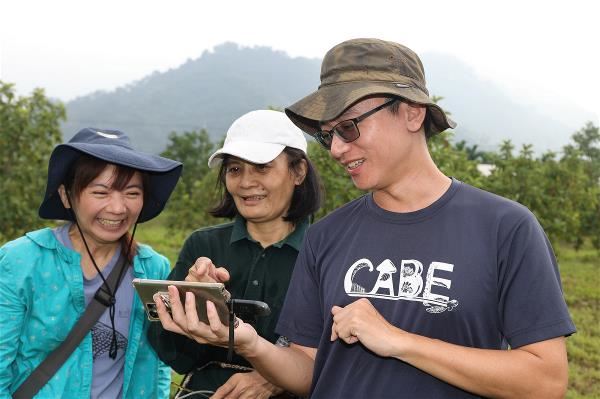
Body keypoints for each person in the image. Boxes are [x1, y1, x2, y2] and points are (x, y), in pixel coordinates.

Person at [154, 39, 576, 399]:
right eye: (328, 134)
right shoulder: (327, 236)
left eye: (350, 127)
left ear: (412, 112)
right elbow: (306, 370)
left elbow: (546, 379)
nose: (336, 149)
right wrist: (247, 341)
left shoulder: (506, 228)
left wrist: (400, 342)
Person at [148, 109, 322, 398]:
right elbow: (175, 355)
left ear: (298, 171)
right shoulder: (203, 247)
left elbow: (340, 351)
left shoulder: (326, 252)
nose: (245, 182)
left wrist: (274, 376)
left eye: (262, 167)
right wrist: (191, 307)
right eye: (235, 169)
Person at [0, 127, 182, 398]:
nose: (118, 208)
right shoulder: (21, 261)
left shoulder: (152, 268)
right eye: (101, 192)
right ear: (66, 195)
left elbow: (156, 364)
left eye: (132, 193)